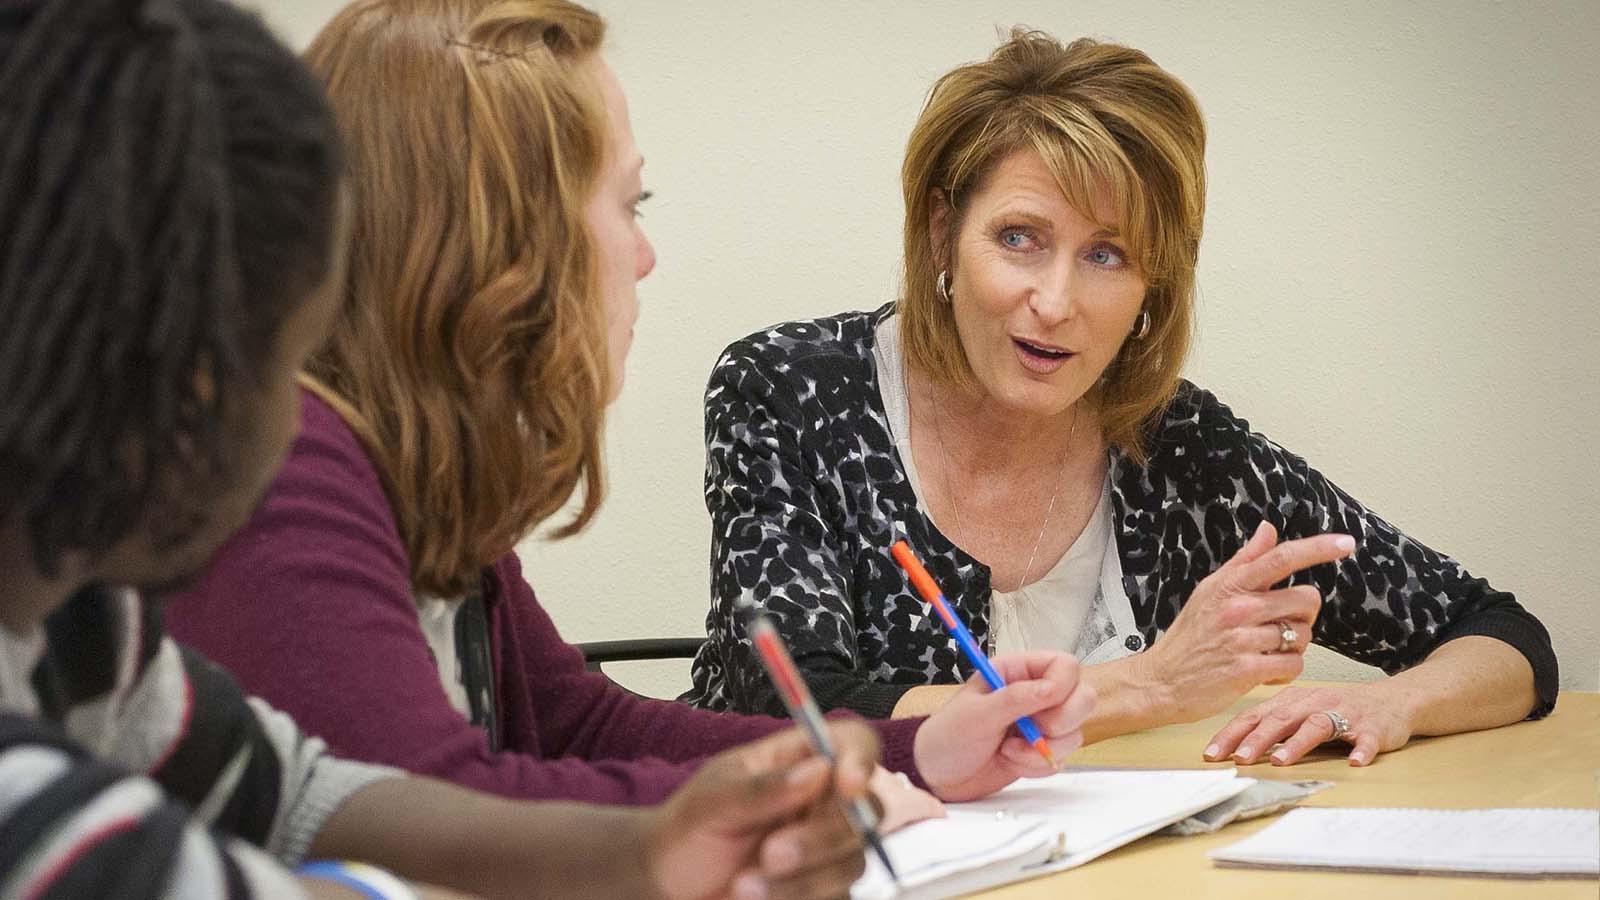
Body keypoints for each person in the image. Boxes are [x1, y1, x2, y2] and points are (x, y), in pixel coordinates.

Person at [0, 1, 893, 898]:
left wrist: (654, 847)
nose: (287, 405)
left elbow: (308, 789)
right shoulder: (300, 477)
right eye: (272, 348)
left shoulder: (90, 629)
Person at [165, 0, 1096, 817]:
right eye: (627, 203)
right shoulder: (288, 469)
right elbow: (432, 807)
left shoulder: (412, 471)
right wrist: (776, 800)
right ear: (503, 239)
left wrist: (920, 752)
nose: (644, 257)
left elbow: (580, 724)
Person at [683, 30, 1558, 769]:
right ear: (944, 232)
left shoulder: (1175, 445)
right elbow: (795, 705)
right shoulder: (790, 387)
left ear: (1153, 287)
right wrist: (1147, 687)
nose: (1056, 302)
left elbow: (1500, 635)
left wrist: (1388, 706)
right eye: (1020, 239)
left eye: (1107, 255)